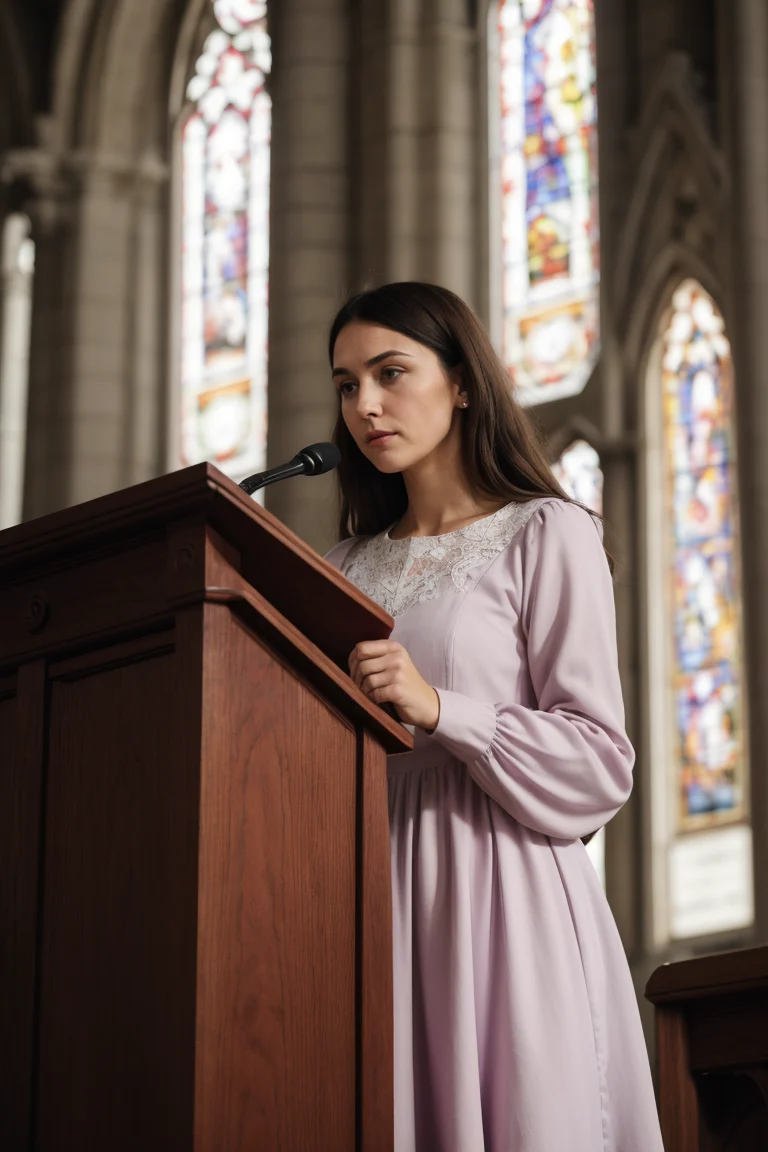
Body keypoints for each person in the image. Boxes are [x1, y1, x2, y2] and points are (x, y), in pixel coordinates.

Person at [323, 282, 664, 1152]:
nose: (366, 404)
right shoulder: (338, 566)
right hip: (363, 897)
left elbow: (599, 763)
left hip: (501, 897)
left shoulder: (547, 533)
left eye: (390, 372)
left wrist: (443, 710)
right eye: (346, 383)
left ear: (463, 382)